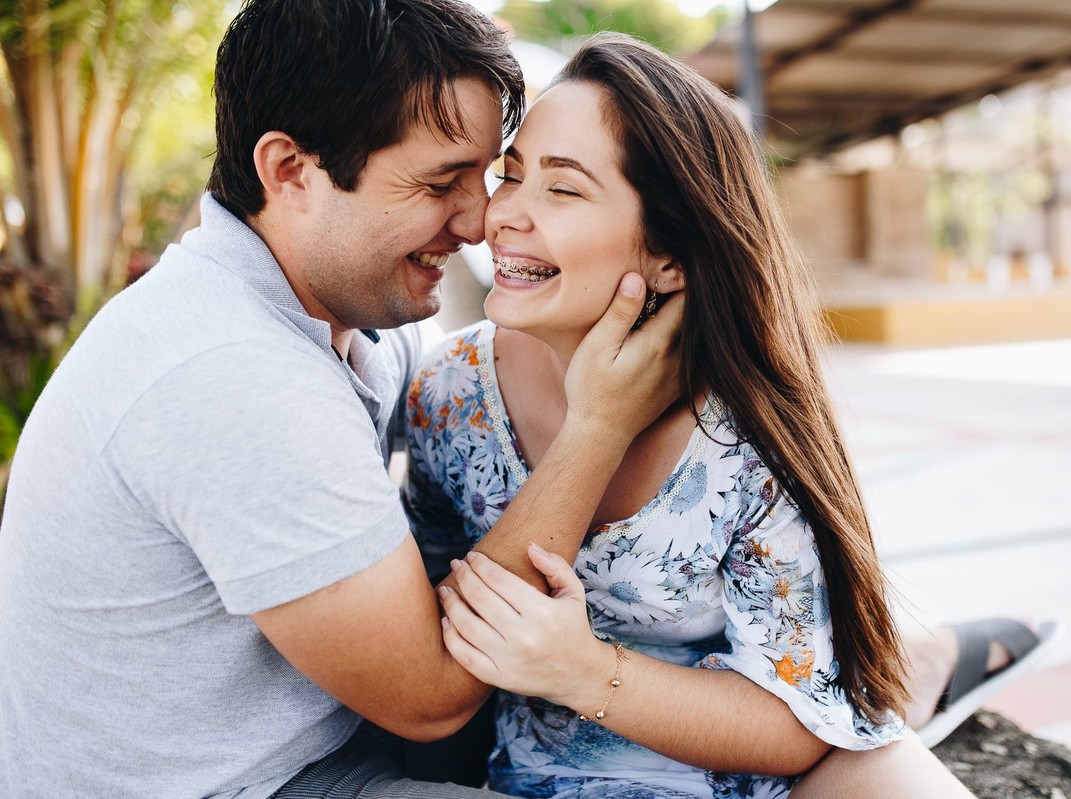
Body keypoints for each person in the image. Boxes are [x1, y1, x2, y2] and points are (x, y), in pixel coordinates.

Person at [0, 3, 686, 797]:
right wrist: (600, 424)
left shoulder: (344, 315)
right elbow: (428, 697)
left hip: (327, 751)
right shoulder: (228, 375)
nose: (479, 222)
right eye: (439, 183)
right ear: (291, 170)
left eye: (485, 175)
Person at [405, 34, 986, 797]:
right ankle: (941, 653)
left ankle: (944, 654)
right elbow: (425, 625)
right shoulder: (450, 394)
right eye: (510, 176)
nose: (505, 214)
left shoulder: (742, 431)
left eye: (563, 189)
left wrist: (585, 670)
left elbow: (799, 719)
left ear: (670, 253)